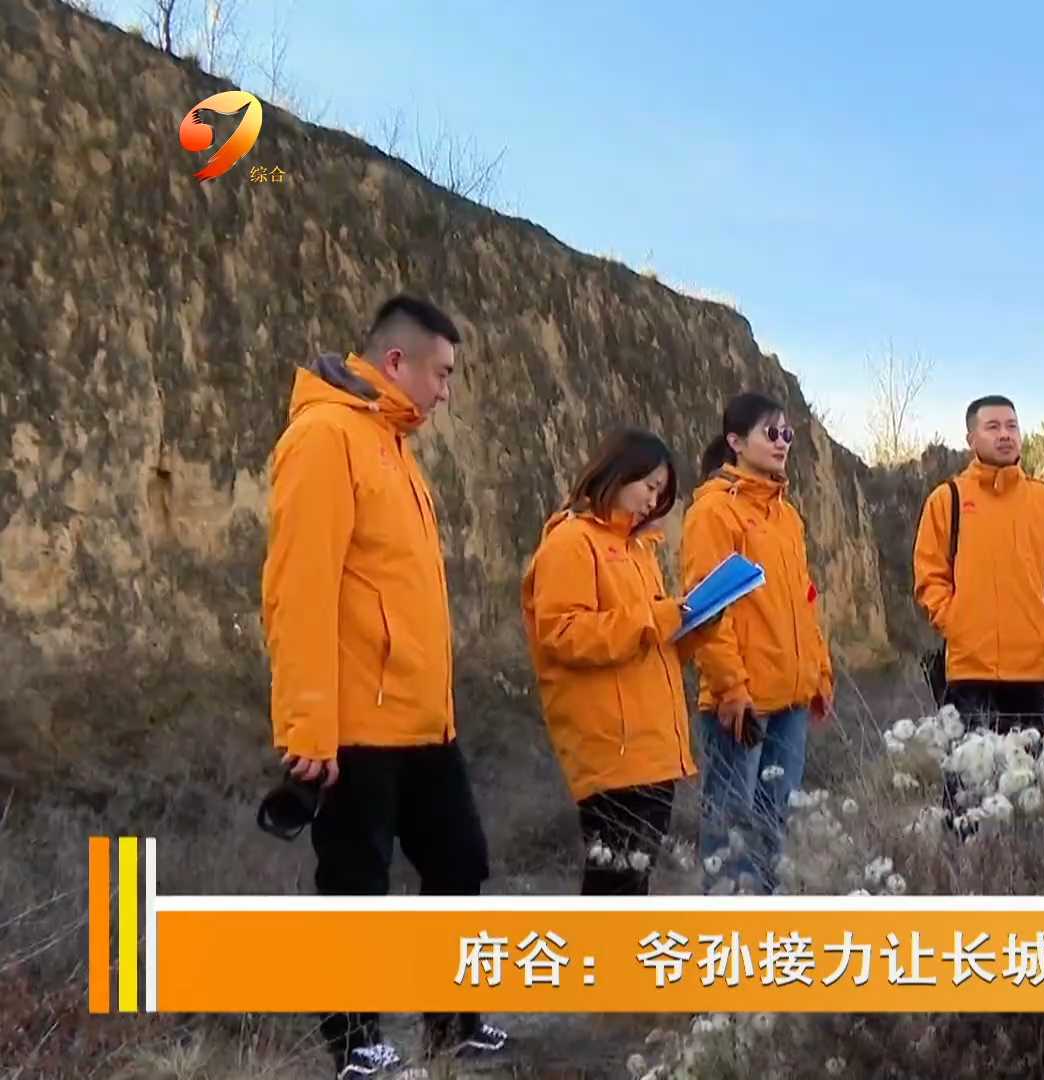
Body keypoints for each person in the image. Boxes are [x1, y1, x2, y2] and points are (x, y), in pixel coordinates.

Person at [260, 295, 508, 1077]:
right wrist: (307, 727)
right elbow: (298, 593)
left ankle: (453, 1023)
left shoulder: (393, 449)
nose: (447, 392)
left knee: (461, 862)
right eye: (442, 373)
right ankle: (354, 1042)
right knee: (355, 884)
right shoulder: (324, 439)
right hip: (355, 723)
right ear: (395, 362)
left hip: (425, 721)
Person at [522, 428, 714, 896]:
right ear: (618, 473)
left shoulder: (638, 550)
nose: (653, 502)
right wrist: (658, 618)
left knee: (632, 885)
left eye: (661, 494)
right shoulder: (571, 541)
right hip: (614, 749)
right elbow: (564, 634)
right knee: (614, 887)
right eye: (649, 487)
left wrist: (695, 626)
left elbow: (650, 645)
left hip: (652, 748)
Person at [681, 392, 834, 895]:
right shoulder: (713, 512)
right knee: (729, 824)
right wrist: (731, 688)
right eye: (771, 433)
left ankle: (763, 917)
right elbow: (708, 609)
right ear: (735, 441)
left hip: (792, 699)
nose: (782, 442)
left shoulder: (786, 517)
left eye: (787, 433)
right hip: (742, 702)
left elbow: (804, 600)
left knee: (774, 821)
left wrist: (819, 672)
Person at [912, 394, 1044, 735]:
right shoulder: (947, 499)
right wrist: (957, 624)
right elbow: (930, 579)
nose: (1005, 434)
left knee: (1026, 769)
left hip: (1034, 672)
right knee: (968, 770)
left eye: (1011, 426)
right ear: (971, 439)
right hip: (969, 672)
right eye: (992, 427)